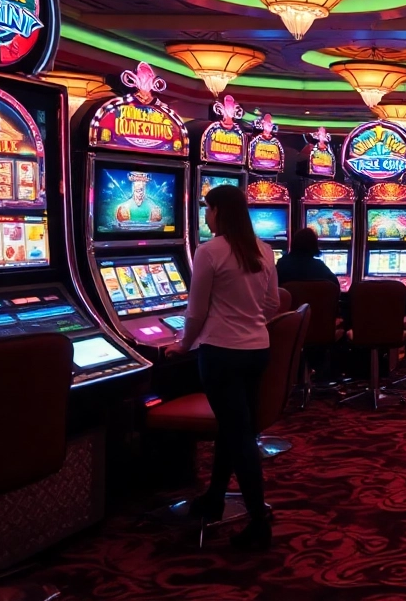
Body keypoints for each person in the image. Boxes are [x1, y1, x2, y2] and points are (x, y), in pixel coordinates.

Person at [164, 184, 280, 549]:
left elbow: (196, 311)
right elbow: (273, 304)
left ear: (218, 212)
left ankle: (258, 523)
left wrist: (181, 345)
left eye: (207, 209)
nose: (205, 215)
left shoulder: (210, 251)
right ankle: (214, 498)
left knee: (238, 434)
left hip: (221, 352)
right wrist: (248, 321)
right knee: (235, 428)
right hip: (256, 349)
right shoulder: (263, 250)